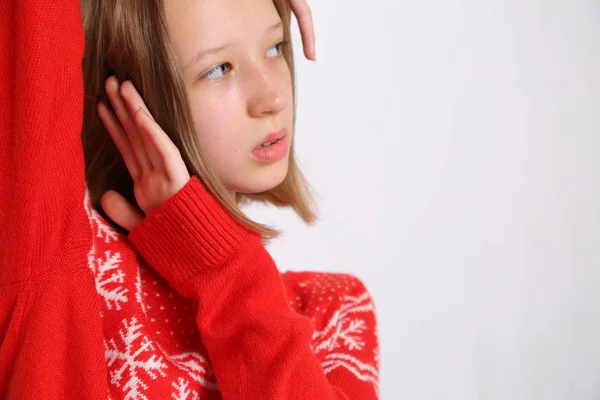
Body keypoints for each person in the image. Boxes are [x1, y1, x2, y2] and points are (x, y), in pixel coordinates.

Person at [0, 0, 379, 398]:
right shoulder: (56, 263)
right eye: (218, 69)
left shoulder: (332, 310)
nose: (273, 98)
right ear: (131, 94)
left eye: (275, 47)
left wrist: (221, 268)